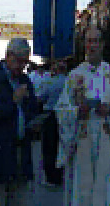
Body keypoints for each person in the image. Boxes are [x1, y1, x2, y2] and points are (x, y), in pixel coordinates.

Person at [55, 26, 110, 206]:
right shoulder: (74, 76)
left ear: (102, 44)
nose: (92, 46)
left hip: (106, 138)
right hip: (83, 139)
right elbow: (61, 110)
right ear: (84, 45)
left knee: (105, 192)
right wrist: (76, 112)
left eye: (96, 41)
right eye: (89, 41)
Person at [0, 37, 39, 206]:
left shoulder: (25, 81)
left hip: (20, 155)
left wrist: (33, 119)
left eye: (25, 63)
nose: (21, 66)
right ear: (8, 56)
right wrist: (12, 102)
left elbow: (32, 108)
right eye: (19, 61)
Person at [39, 59, 67, 188]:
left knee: (49, 147)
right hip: (65, 117)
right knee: (61, 145)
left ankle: (51, 177)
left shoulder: (49, 82)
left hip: (50, 116)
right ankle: (60, 174)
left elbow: (42, 97)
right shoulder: (68, 82)